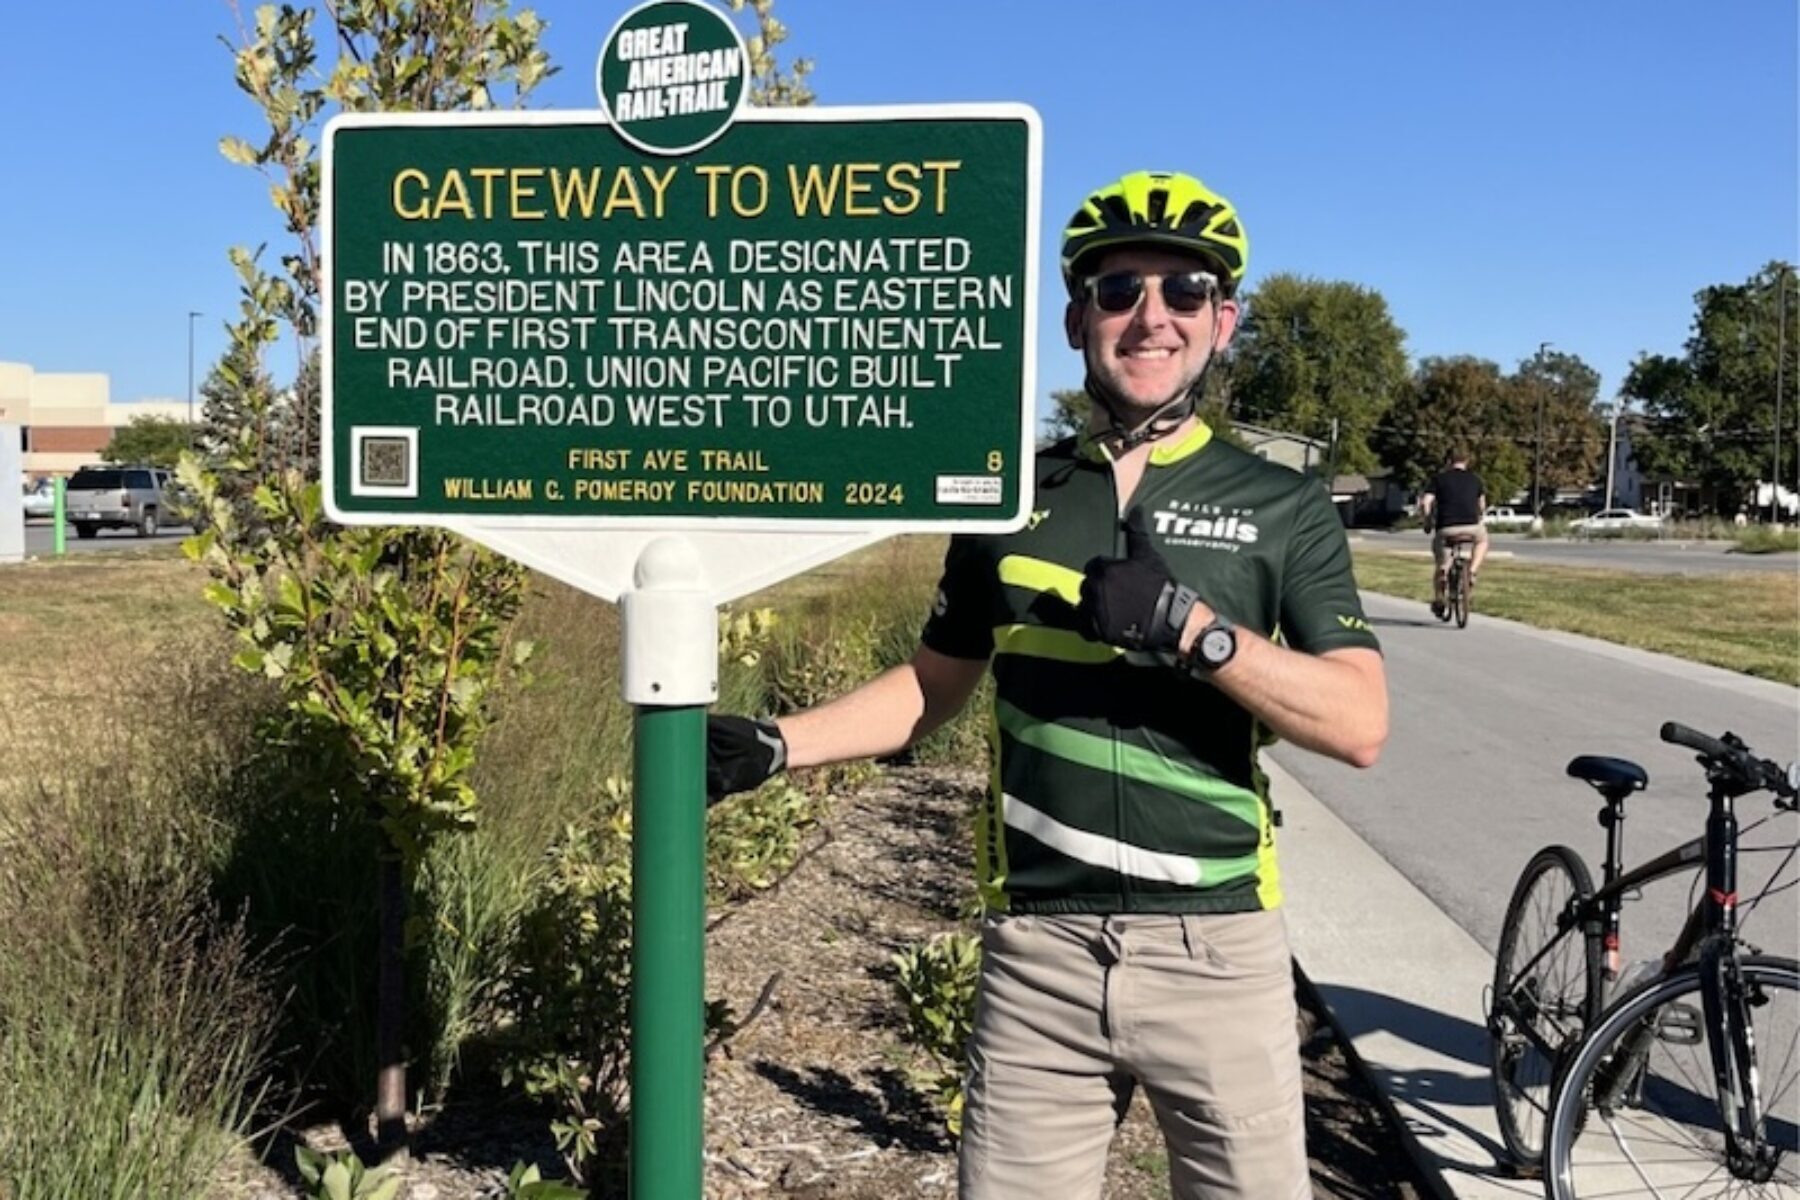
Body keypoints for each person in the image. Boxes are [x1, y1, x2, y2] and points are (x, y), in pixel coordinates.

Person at [707, 169, 1388, 1199]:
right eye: (1120, 291)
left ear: (1224, 321)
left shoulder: (1279, 503)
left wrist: (1194, 632)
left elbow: (1360, 722)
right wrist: (779, 744)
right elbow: (933, 685)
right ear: (1078, 318)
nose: (1150, 316)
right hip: (1039, 950)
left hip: (1220, 944)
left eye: (1184, 292)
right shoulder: (1009, 496)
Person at [1418, 450, 1489, 618]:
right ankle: (1472, 571)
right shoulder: (1475, 479)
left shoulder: (1438, 479)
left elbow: (1425, 502)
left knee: (1441, 565)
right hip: (1471, 526)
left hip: (1446, 528)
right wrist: (1478, 517)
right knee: (1482, 540)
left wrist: (1427, 522)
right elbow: (1482, 506)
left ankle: (1440, 592)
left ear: (1449, 461)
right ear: (1467, 462)